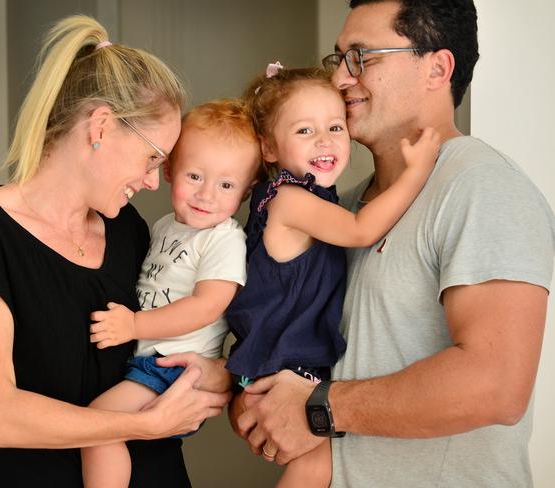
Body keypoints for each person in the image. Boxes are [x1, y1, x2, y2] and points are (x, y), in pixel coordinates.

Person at [233, 1, 555, 487]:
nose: (340, 79)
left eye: (362, 57)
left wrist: (317, 408)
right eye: (338, 58)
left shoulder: (482, 187)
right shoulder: (337, 207)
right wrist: (259, 397)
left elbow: (496, 387)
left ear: (437, 68)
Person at [0, 15, 231, 488]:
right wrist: (142, 425)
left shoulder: (129, 229)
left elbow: (176, 339)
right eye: (152, 157)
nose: (155, 180)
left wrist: (214, 373)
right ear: (102, 126)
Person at [225, 64, 438, 487]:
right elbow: (361, 231)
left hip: (287, 356)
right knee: (314, 465)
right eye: (304, 131)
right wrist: (417, 172)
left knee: (317, 465)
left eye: (335, 127)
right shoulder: (288, 200)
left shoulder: (316, 198)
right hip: (284, 360)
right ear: (268, 147)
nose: (325, 140)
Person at [80, 99, 262, 487]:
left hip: (173, 367)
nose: (206, 195)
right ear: (168, 170)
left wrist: (133, 325)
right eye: (194, 176)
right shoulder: (164, 226)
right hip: (149, 359)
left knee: (98, 425)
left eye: (226, 185)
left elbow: (206, 306)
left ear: (246, 193)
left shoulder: (223, 239)